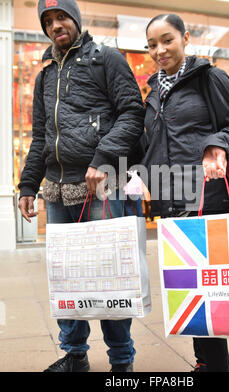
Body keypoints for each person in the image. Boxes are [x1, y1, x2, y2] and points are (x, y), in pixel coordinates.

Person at [18, 0, 145, 372]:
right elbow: (40, 136)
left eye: (61, 17)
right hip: (56, 191)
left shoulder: (108, 59)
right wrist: (28, 185)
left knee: (109, 277)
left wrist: (103, 157)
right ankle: (74, 356)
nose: (56, 25)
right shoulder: (45, 76)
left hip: (102, 188)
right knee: (65, 277)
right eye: (48, 20)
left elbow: (132, 113)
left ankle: (122, 362)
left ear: (75, 18)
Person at [143, 14, 229, 372]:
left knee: (210, 288)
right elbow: (153, 143)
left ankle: (216, 365)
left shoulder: (210, 77)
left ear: (185, 38)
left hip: (207, 198)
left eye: (167, 40)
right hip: (171, 202)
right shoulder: (154, 90)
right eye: (152, 44)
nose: (159, 50)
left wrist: (216, 145)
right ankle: (206, 362)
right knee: (190, 289)